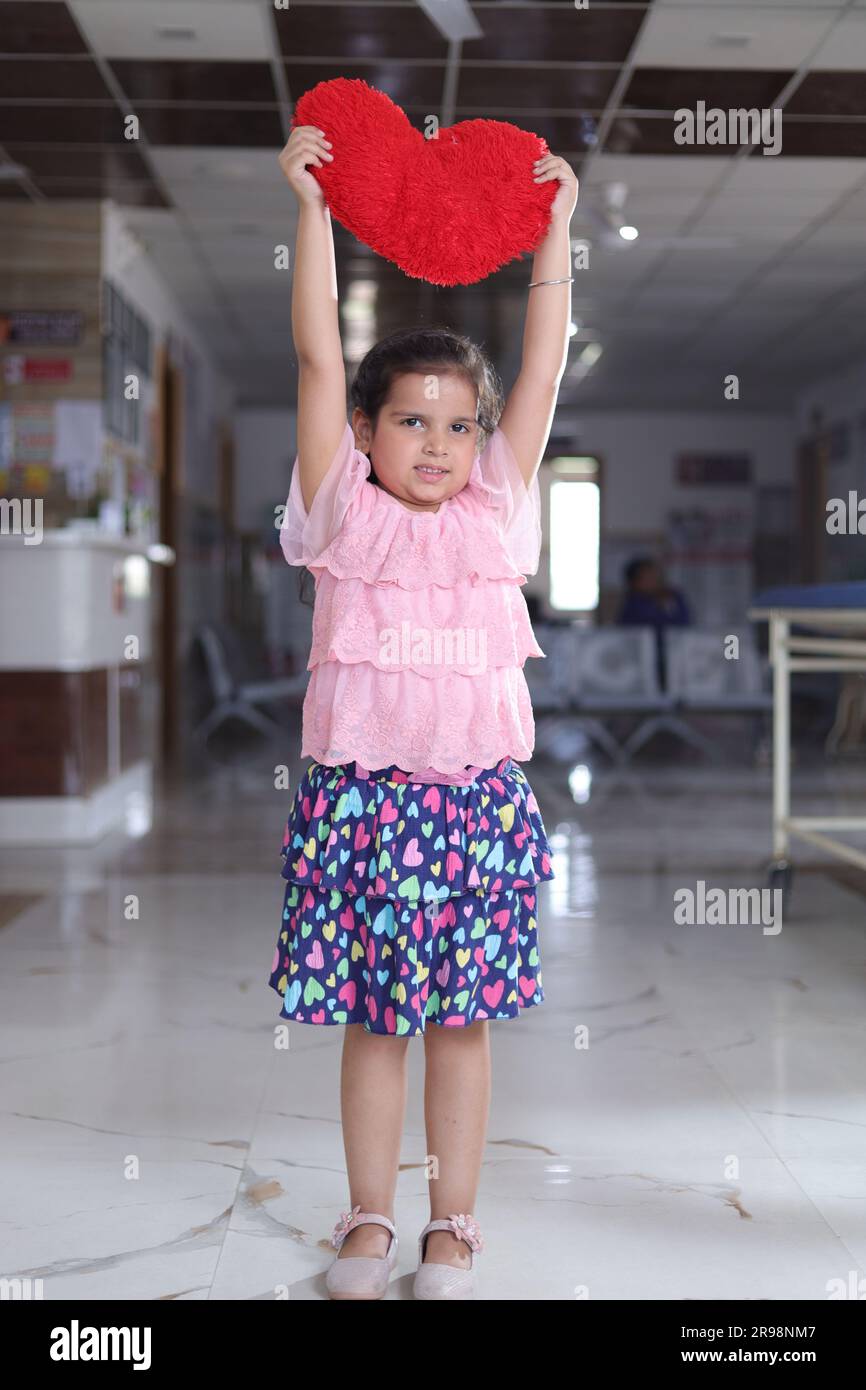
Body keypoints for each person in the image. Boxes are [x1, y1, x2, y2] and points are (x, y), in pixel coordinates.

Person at [269, 123, 577, 1300]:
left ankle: (452, 1226)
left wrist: (554, 231)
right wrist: (308, 210)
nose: (439, 444)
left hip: (476, 803)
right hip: (357, 803)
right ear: (362, 433)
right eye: (410, 420)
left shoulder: (498, 511)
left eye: (458, 424)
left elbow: (539, 373)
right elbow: (310, 359)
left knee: (459, 1024)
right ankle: (366, 1222)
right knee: (374, 1020)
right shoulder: (339, 513)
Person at [617, 556, 691, 689]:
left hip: (677, 661)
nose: (654, 581)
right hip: (641, 667)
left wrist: (668, 607)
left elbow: (685, 624)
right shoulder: (632, 605)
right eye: (647, 577)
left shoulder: (673, 597)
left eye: (655, 576)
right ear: (634, 582)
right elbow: (629, 634)